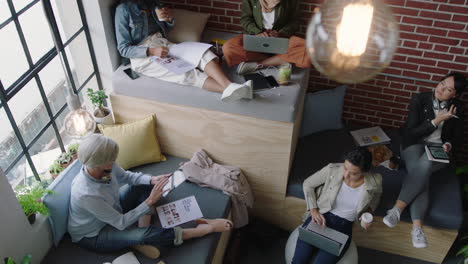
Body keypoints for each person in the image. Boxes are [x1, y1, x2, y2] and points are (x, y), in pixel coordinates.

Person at [68, 134, 233, 259]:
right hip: (95, 235)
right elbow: (120, 222)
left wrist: (153, 180)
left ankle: (135, 237)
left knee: (145, 185)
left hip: (112, 210)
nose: (115, 161)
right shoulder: (86, 194)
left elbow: (128, 177)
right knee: (145, 234)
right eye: (112, 159)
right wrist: (150, 201)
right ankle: (202, 230)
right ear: (101, 163)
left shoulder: (105, 166)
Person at [383, 72, 466, 248]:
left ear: (455, 95)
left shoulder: (459, 107)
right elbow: (411, 133)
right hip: (414, 145)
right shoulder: (419, 99)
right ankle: (417, 229)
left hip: (439, 149)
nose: (441, 89)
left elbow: (457, 139)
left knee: (425, 164)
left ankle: (396, 210)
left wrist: (448, 145)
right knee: (423, 172)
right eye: (442, 83)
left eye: (448, 89)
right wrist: (437, 120)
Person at [114, 0, 253, 102]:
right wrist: (151, 51)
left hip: (163, 43)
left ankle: (231, 86)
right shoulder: (123, 10)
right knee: (185, 72)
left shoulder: (151, 3)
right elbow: (123, 49)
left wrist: (168, 20)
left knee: (202, 52)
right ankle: (234, 90)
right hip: (143, 56)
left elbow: (164, 28)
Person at [292, 148, 382, 264]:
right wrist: (313, 210)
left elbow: (377, 196)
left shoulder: (375, 181)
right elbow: (308, 184)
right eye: (345, 168)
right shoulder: (332, 169)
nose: (346, 174)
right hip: (320, 217)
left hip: (343, 227)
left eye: (353, 173)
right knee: (298, 262)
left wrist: (369, 212)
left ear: (364, 172)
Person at [222, 0, 311, 75]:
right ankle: (279, 60)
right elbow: (245, 19)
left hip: (280, 38)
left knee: (308, 50)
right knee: (228, 47)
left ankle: (260, 64)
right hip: (257, 37)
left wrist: (280, 33)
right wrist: (257, 32)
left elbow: (294, 21)